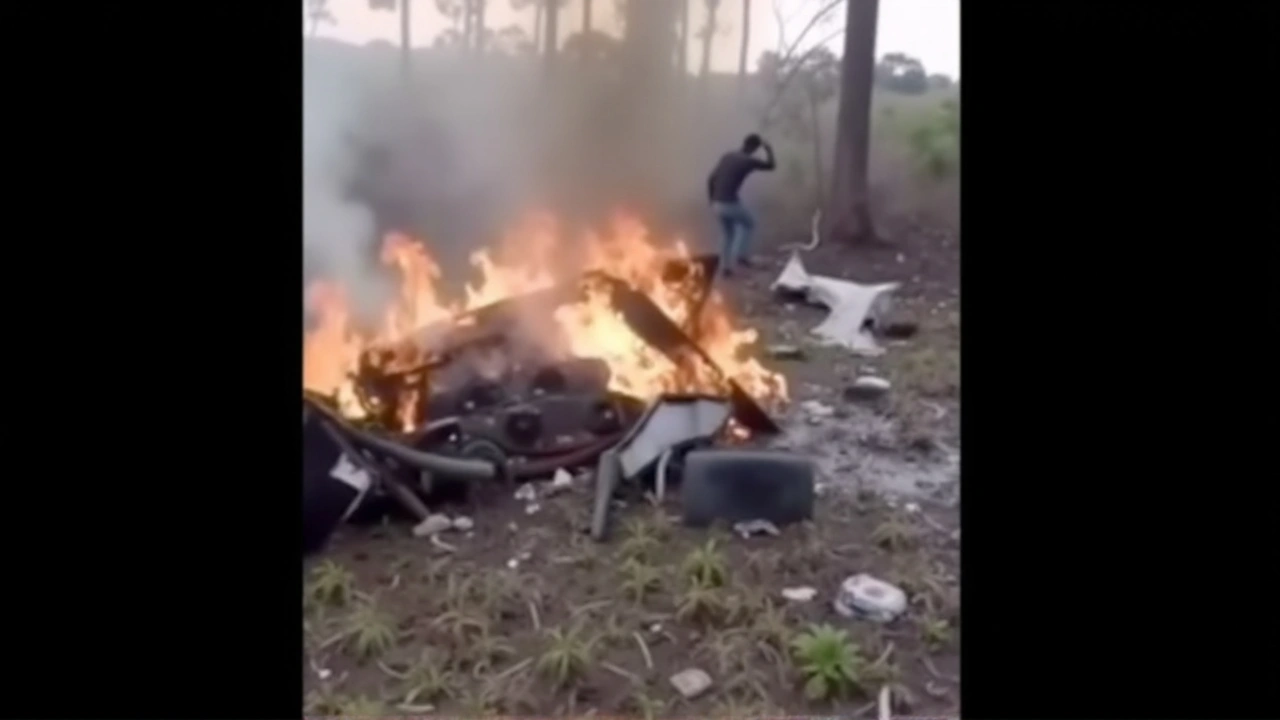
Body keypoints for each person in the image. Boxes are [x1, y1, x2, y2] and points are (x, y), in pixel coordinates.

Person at [706, 133, 775, 277]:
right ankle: (741, 256)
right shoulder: (748, 160)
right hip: (729, 202)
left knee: (728, 234)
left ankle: (726, 268)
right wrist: (768, 149)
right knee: (749, 223)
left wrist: (711, 200)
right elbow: (771, 166)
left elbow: (711, 178)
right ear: (755, 148)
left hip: (717, 204)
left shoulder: (727, 156)